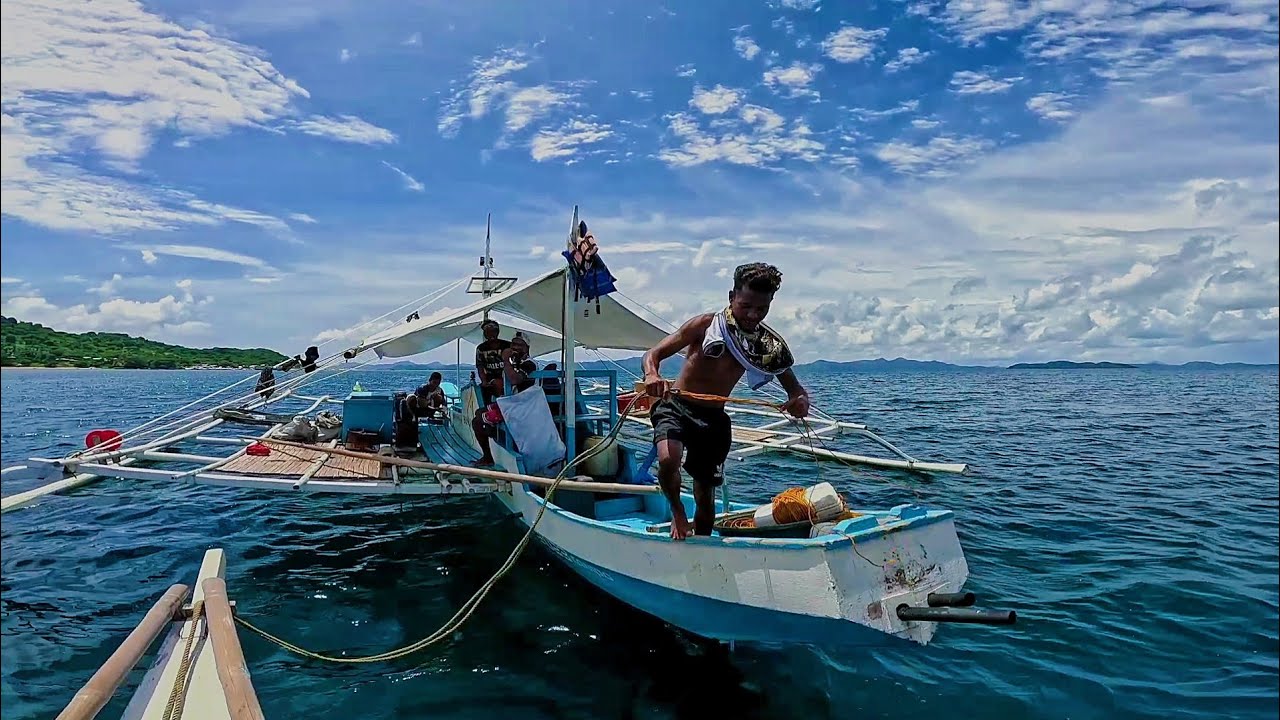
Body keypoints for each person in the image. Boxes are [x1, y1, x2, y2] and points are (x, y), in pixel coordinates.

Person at [641, 262, 811, 541]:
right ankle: (678, 513)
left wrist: (798, 400)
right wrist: (651, 374)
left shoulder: (765, 346)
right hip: (677, 406)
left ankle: (705, 548)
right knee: (668, 458)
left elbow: (794, 388)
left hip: (713, 419)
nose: (753, 315)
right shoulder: (705, 326)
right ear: (731, 296)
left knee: (705, 498)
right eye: (746, 306)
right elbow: (653, 354)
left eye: (762, 308)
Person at [471, 333, 538, 466]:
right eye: (513, 344)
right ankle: (492, 438)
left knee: (478, 422)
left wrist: (506, 360)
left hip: (521, 408)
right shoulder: (515, 365)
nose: (515, 347)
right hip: (512, 405)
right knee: (479, 413)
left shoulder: (530, 364)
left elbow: (515, 379)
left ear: (527, 348)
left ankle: (489, 455)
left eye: (520, 345)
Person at [474, 319, 511, 405]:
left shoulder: (507, 345)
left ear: (497, 332)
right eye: (487, 332)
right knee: (483, 392)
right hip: (490, 378)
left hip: (508, 377)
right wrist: (484, 381)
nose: (490, 334)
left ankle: (504, 406)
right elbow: (480, 367)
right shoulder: (481, 348)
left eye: (492, 331)